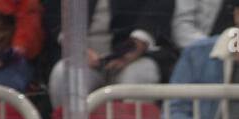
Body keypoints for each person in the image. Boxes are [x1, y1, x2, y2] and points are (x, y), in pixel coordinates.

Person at [42, 0, 172, 108]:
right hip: (83, 55)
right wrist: (74, 46)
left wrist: (140, 42)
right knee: (63, 76)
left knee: (140, 76)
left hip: (135, 56)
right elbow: (53, 12)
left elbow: (159, 8)